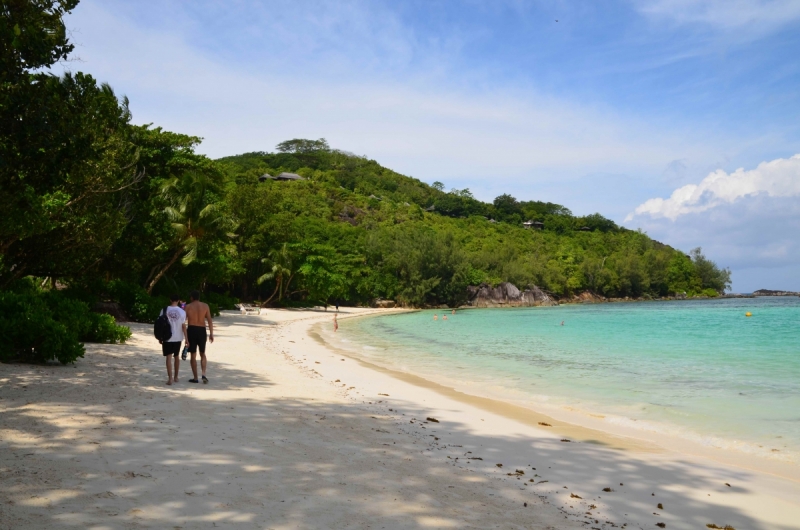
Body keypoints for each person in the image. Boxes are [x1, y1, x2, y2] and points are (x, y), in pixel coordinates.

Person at [184, 290, 214, 384]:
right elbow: (209, 320)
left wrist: (184, 335)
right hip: (202, 330)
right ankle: (204, 373)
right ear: (199, 297)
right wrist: (211, 333)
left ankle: (195, 378)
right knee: (202, 353)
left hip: (192, 330)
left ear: (192, 297)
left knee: (193, 354)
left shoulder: (188, 307)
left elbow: (183, 322)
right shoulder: (205, 306)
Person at [160, 294, 187, 386]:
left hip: (167, 337)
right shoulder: (182, 312)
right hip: (178, 337)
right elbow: (183, 326)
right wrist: (186, 339)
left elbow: (160, 324)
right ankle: (176, 377)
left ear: (170, 300)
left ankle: (170, 378)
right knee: (176, 357)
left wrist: (160, 337)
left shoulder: (164, 310)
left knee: (168, 357)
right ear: (179, 300)